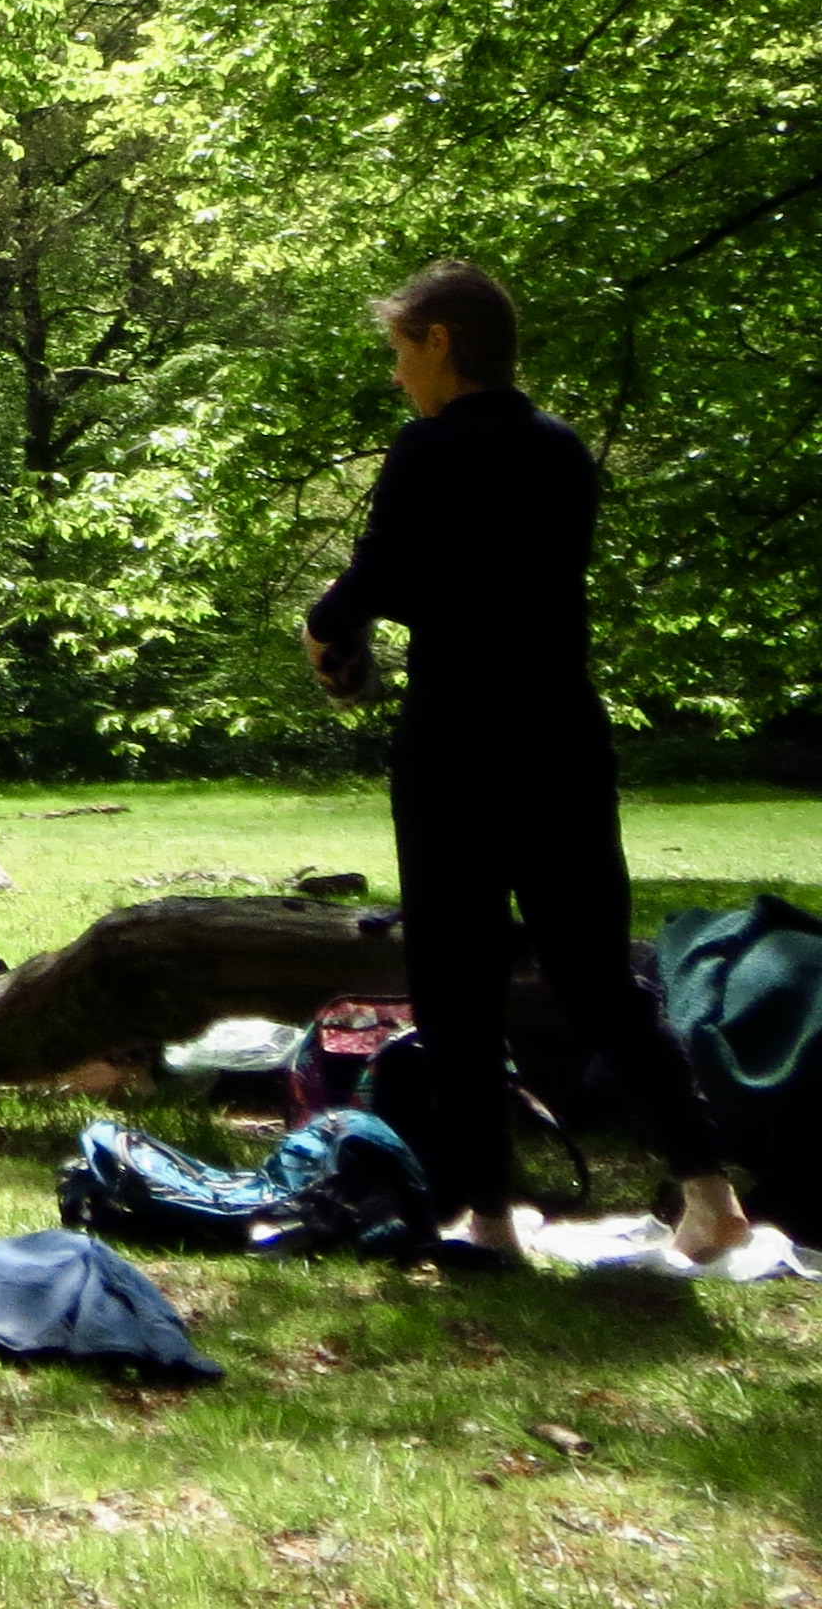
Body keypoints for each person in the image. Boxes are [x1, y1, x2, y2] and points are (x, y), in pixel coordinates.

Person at [303, 260, 749, 1264]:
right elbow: (489, 582)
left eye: (400, 351)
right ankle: (708, 1190)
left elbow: (376, 581)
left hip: (460, 740)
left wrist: (327, 630)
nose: (396, 375)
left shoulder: (428, 449)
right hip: (562, 734)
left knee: (455, 976)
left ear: (440, 341)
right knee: (599, 973)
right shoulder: (561, 451)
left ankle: (492, 1214)